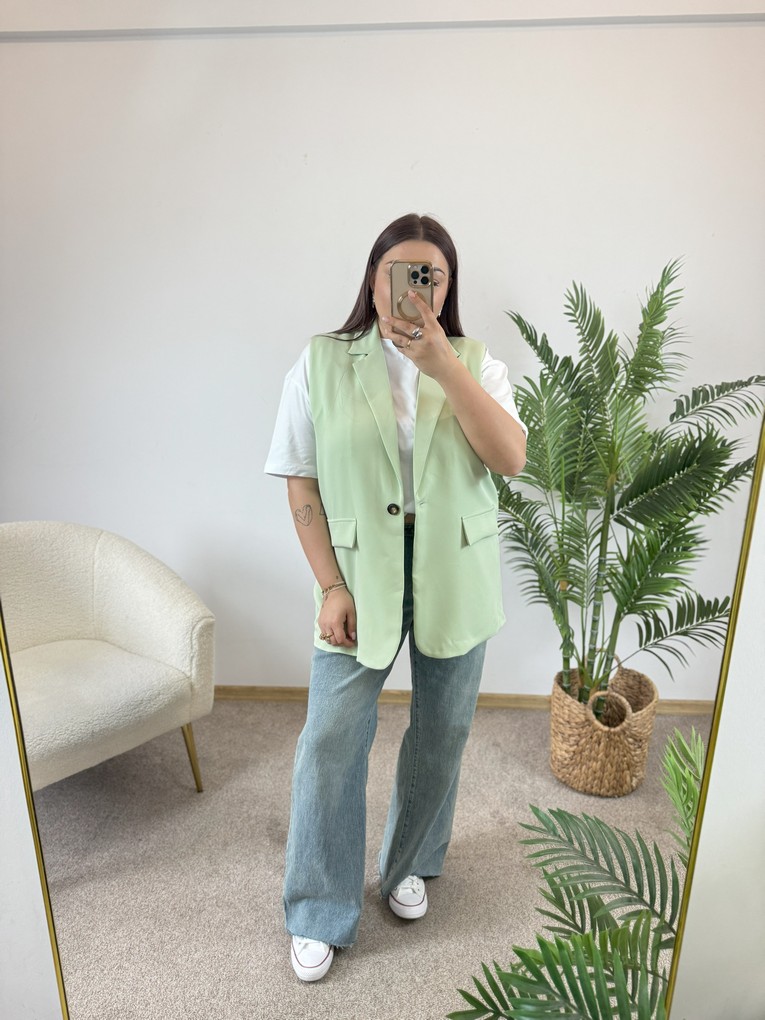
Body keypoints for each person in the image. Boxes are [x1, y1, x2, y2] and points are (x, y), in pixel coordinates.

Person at [264, 213, 527, 981]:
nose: (413, 286)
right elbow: (300, 480)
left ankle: (409, 862)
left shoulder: (476, 362)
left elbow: (509, 458)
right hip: (357, 574)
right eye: (399, 271)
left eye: (429, 275)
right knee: (329, 740)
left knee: (442, 730)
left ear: (446, 287)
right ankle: (318, 907)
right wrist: (329, 585)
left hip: (456, 568)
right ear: (372, 279)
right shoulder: (322, 360)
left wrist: (444, 366)